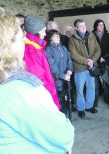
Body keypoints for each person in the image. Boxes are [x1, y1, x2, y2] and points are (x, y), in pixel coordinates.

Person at [0, 9, 74, 153]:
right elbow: (61, 136)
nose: (24, 42)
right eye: (21, 38)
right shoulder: (22, 89)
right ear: (10, 44)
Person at [23, 15, 61, 109]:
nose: (45, 34)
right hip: (45, 92)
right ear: (36, 32)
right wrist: (50, 90)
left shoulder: (36, 46)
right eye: (43, 31)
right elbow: (39, 78)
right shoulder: (31, 50)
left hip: (47, 88)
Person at [68, 19, 101, 117]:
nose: (84, 27)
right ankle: (81, 108)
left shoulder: (91, 36)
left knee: (91, 87)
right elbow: (74, 54)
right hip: (80, 68)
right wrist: (87, 61)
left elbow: (97, 49)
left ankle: (89, 106)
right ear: (76, 28)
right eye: (81, 26)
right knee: (80, 89)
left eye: (84, 25)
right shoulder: (72, 39)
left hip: (91, 67)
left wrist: (92, 61)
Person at [45, 29, 73, 116]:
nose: (58, 37)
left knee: (67, 100)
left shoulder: (63, 48)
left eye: (58, 36)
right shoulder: (48, 50)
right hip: (57, 81)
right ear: (50, 38)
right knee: (60, 103)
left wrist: (70, 70)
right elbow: (52, 66)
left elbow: (69, 60)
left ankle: (66, 119)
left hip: (66, 79)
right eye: (55, 36)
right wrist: (62, 76)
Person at [92, 19, 109, 106]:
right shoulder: (91, 36)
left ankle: (107, 98)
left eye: (102, 25)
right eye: (99, 25)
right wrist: (98, 58)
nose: (101, 26)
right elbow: (91, 49)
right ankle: (95, 100)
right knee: (95, 82)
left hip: (105, 61)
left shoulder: (108, 36)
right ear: (95, 26)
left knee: (107, 81)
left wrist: (104, 57)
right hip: (95, 61)